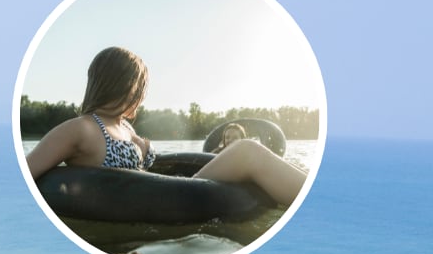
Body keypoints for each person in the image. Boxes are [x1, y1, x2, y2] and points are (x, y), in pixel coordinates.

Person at [25, 47, 306, 207]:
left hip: (171, 195)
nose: (143, 99)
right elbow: (24, 173)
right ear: (128, 87)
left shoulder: (126, 129)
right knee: (247, 151)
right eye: (141, 90)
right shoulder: (81, 129)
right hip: (160, 203)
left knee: (250, 156)